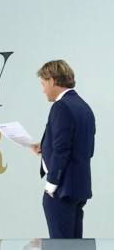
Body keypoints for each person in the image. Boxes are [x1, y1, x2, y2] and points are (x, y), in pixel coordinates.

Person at [31, 60, 95, 239]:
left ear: (52, 81)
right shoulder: (83, 106)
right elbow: (84, 148)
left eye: (43, 84)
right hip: (78, 187)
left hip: (62, 190)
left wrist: (51, 185)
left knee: (61, 246)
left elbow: (62, 150)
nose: (43, 90)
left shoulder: (61, 107)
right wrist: (45, 148)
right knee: (75, 246)